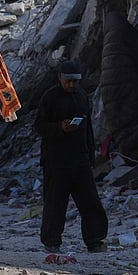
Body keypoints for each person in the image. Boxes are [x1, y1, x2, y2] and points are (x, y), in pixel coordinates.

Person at [35, 59, 109, 254]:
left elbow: (88, 130)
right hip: (56, 161)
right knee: (55, 204)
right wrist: (60, 127)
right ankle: (51, 242)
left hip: (80, 159)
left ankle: (95, 241)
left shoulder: (82, 96)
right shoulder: (50, 97)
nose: (71, 85)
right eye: (68, 81)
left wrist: (90, 155)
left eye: (75, 81)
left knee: (90, 201)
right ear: (60, 77)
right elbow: (39, 125)